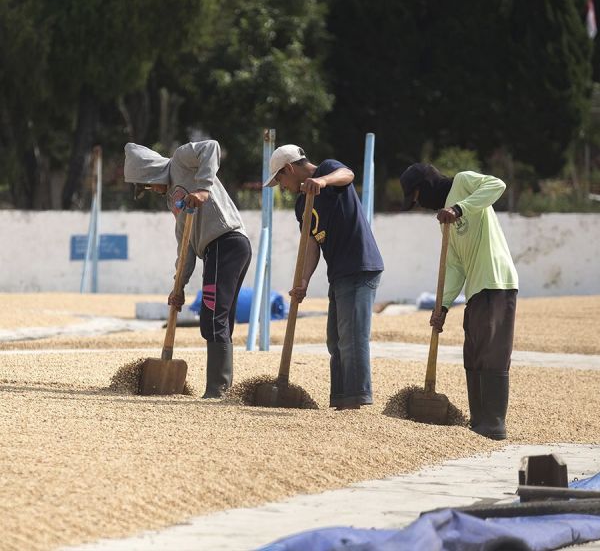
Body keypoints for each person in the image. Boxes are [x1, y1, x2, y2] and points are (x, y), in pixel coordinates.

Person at [124, 140, 252, 398]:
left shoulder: (181, 160)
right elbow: (186, 247)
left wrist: (204, 188)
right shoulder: (174, 202)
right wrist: (178, 288)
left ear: (150, 174)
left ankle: (218, 389)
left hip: (226, 242)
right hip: (215, 250)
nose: (153, 191)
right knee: (220, 318)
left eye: (148, 186)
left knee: (212, 317)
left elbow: (213, 146)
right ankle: (222, 388)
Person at [399, 163, 518, 440]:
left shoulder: (464, 183)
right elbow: (454, 267)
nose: (420, 206)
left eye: (416, 198)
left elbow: (497, 185)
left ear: (426, 187)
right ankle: (478, 421)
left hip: (496, 280)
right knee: (473, 352)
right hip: (476, 289)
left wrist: (459, 208)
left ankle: (494, 423)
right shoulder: (445, 223)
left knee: (492, 352)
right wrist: (442, 305)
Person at [263, 144, 384, 410]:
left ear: (289, 169)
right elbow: (311, 245)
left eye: (280, 179)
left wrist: (322, 181)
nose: (282, 186)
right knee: (335, 340)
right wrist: (303, 281)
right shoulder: (301, 205)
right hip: (339, 272)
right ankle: (341, 400)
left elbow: (348, 174)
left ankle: (356, 400)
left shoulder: (328, 170)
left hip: (359, 265)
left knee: (352, 336)